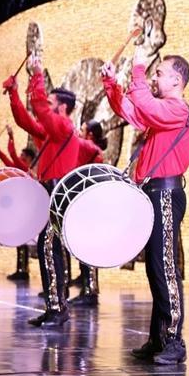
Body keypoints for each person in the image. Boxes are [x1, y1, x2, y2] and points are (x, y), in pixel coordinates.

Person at [102, 43, 189, 366]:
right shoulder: (162, 114)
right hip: (154, 194)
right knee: (155, 267)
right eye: (153, 74)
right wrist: (112, 84)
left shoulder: (178, 110)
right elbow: (130, 110)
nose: (154, 78)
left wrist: (138, 69)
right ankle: (159, 339)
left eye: (160, 73)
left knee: (164, 266)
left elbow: (143, 103)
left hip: (166, 194)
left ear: (177, 81)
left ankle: (174, 340)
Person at [4, 55, 80, 327]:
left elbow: (39, 111)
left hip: (58, 191)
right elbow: (26, 121)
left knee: (49, 247)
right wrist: (14, 94)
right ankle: (53, 307)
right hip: (50, 191)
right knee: (47, 248)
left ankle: (58, 309)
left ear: (62, 107)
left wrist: (37, 75)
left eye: (50, 102)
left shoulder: (64, 127)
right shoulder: (53, 133)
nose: (45, 106)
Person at [70, 119, 108, 306]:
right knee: (83, 245)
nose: (79, 131)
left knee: (88, 245)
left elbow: (71, 138)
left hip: (89, 202)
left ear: (90, 134)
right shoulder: (90, 148)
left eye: (83, 129)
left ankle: (90, 291)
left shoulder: (91, 148)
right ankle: (87, 287)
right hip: (86, 201)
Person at [0, 129, 36, 281]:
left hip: (26, 209)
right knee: (20, 239)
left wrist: (11, 137)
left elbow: (12, 155)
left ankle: (23, 270)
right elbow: (8, 161)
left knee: (23, 239)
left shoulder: (26, 169)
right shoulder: (21, 170)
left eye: (23, 156)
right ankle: (21, 269)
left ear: (29, 158)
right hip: (21, 208)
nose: (20, 158)